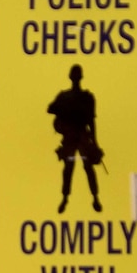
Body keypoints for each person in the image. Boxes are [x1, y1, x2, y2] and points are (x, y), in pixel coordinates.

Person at [47, 64, 104, 214]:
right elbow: (51, 108)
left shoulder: (86, 97)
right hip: (72, 136)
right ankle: (67, 198)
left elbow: (91, 121)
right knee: (70, 168)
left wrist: (94, 142)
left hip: (80, 136)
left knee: (85, 167)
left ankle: (94, 197)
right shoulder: (66, 97)